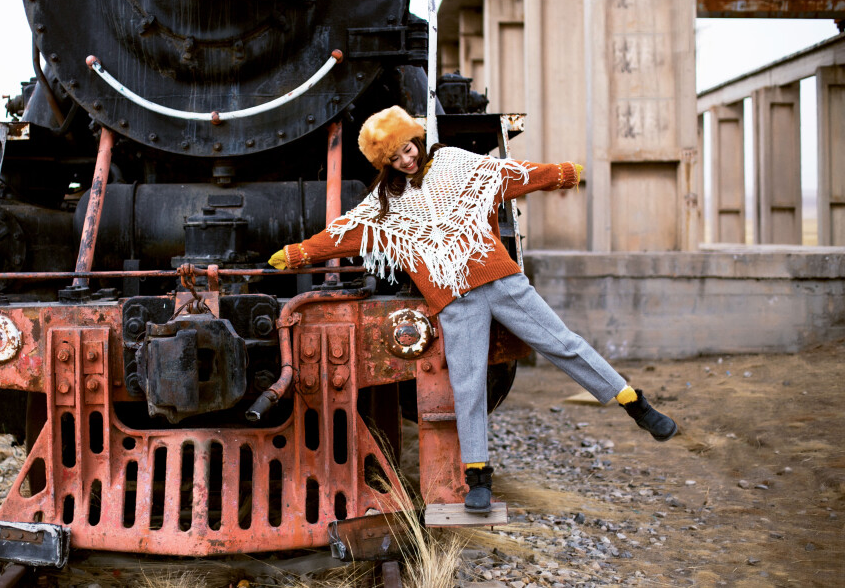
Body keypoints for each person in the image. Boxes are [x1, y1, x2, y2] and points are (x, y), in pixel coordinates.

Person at [268, 106, 677, 514]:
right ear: (385, 164)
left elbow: (510, 175)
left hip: (501, 281)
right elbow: (346, 232)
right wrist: (300, 253)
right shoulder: (385, 202)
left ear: (417, 138)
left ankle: (635, 404)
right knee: (467, 384)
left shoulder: (454, 161)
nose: (406, 160)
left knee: (562, 343)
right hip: (455, 301)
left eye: (407, 148)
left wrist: (560, 174)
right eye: (394, 158)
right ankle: (478, 477)